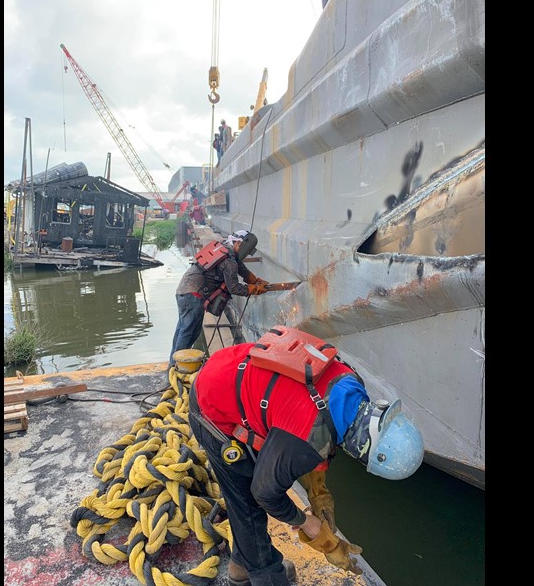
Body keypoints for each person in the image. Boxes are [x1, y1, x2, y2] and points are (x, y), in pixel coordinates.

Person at [184, 324, 424, 586]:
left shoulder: (353, 385)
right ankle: (267, 576)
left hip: (232, 368)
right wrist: (310, 525)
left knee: (253, 496)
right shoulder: (302, 438)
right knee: (247, 505)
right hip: (213, 406)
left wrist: (318, 494)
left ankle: (240, 571)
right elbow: (265, 493)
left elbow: (324, 427)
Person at [168, 230, 269, 370]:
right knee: (188, 332)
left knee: (184, 330)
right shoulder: (229, 260)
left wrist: (256, 280)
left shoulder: (224, 249)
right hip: (193, 295)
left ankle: (175, 364)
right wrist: (253, 289)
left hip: (184, 291)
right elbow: (234, 288)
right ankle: (175, 368)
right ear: (239, 243)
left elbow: (242, 269)